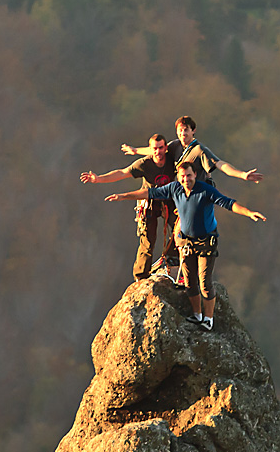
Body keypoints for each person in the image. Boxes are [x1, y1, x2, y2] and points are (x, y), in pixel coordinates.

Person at [104, 161, 266, 330]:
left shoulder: (205, 190)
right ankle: (196, 315)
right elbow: (150, 193)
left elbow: (228, 203)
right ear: (178, 177)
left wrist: (249, 213)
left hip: (205, 242)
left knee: (204, 282)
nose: (186, 179)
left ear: (195, 174)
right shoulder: (175, 188)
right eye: (182, 176)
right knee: (189, 281)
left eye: (189, 175)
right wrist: (124, 196)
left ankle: (208, 320)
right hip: (186, 242)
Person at [81, 134, 178, 281]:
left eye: (160, 148)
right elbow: (123, 172)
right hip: (148, 200)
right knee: (147, 240)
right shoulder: (144, 164)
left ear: (165, 148)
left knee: (180, 227)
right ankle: (141, 276)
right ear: (150, 150)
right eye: (154, 149)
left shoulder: (172, 159)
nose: (157, 152)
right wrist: (99, 179)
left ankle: (172, 260)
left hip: (168, 200)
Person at [122, 115, 263, 186]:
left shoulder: (199, 150)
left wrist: (242, 175)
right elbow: (156, 151)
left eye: (186, 130)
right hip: (180, 191)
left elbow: (220, 164)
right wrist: (135, 151)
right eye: (180, 131)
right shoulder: (175, 145)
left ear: (193, 131)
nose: (183, 134)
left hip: (197, 192)